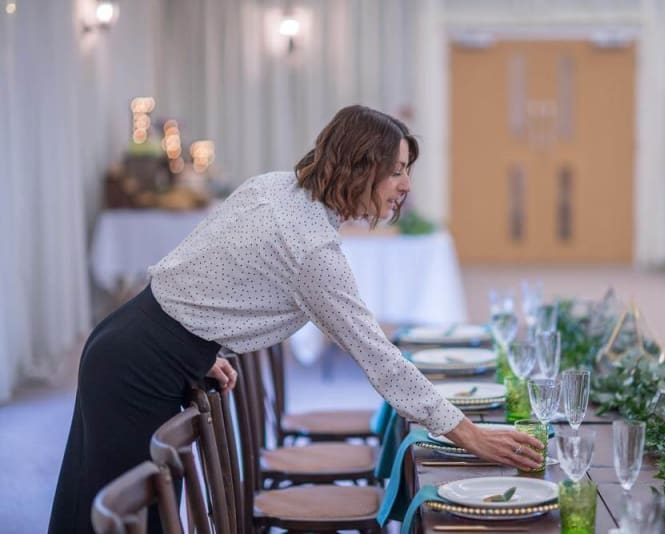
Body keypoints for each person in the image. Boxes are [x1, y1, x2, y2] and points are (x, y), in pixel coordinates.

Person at [49, 105, 544, 533]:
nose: (406, 185)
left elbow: (197, 266)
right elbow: (380, 359)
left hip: (129, 335)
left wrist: (203, 349)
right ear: (360, 166)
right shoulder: (311, 250)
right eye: (397, 171)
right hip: (138, 365)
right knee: (131, 518)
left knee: (94, 503)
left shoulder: (276, 187)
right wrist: (470, 434)